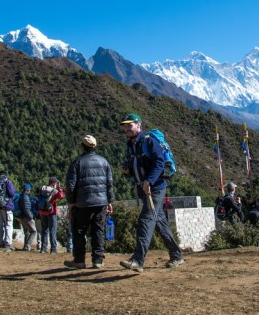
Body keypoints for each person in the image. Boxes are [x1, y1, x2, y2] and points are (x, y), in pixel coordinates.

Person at [118, 113, 184, 273]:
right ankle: (176, 255)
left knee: (146, 220)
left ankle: (137, 260)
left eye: (130, 125)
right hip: (144, 187)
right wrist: (127, 171)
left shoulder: (149, 141)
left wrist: (149, 181)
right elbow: (137, 166)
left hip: (155, 187)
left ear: (138, 125)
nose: (127, 128)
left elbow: (160, 162)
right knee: (159, 221)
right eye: (125, 125)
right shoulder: (132, 144)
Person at [64, 135, 115, 269]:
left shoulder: (76, 163)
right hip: (101, 203)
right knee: (98, 230)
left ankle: (79, 260)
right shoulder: (104, 162)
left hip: (82, 204)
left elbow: (70, 186)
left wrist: (71, 202)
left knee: (79, 231)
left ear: (82, 146)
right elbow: (109, 184)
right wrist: (110, 201)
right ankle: (98, 260)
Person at [38, 176, 65, 253]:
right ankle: (53, 249)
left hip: (42, 212)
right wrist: (59, 188)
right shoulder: (54, 190)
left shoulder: (43, 189)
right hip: (51, 212)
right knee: (52, 230)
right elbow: (61, 196)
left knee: (44, 230)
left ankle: (43, 249)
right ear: (54, 183)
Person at [18, 184, 38, 251]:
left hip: (21, 216)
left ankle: (25, 246)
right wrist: (31, 217)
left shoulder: (21, 196)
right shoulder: (25, 197)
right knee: (33, 231)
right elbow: (26, 208)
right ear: (28, 189)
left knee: (27, 231)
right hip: (26, 217)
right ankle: (27, 245)